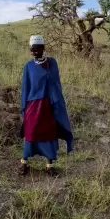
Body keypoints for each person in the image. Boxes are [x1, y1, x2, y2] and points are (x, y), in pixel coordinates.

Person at [19, 35, 73, 177]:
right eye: (32, 50)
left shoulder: (52, 63)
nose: (34, 52)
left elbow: (56, 83)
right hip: (33, 106)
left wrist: (57, 102)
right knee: (30, 133)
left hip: (48, 106)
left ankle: (49, 166)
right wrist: (23, 107)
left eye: (37, 49)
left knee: (50, 134)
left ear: (43, 48)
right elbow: (25, 87)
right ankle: (24, 162)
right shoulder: (28, 66)